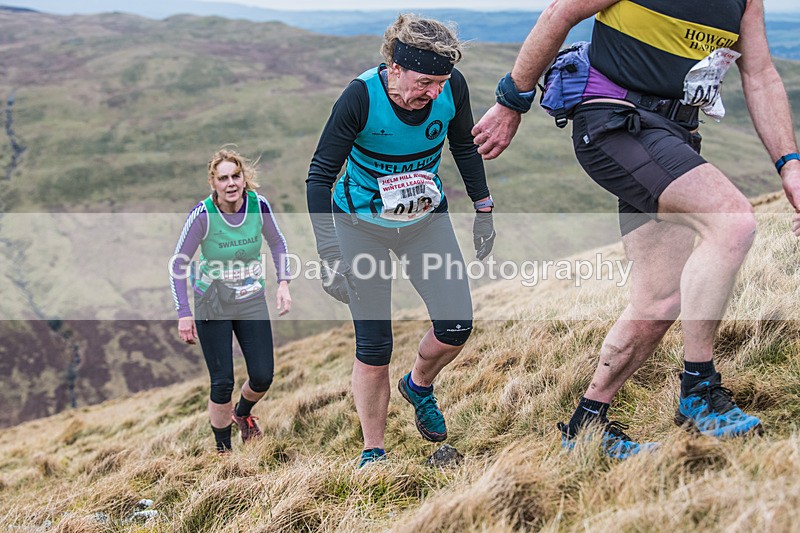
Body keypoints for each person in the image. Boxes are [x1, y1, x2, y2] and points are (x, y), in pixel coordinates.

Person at [473, 0, 800, 458]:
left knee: (659, 299)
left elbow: (760, 74)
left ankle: (587, 425)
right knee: (732, 221)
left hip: (672, 131)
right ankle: (700, 393)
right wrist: (511, 103)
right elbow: (559, 14)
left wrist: (790, 164)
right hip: (612, 121)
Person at [306, 14, 496, 467]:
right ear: (394, 66)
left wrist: (483, 208)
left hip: (424, 221)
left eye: (441, 81)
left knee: (456, 328)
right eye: (425, 81)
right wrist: (330, 255)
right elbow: (318, 177)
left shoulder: (453, 89)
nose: (434, 92)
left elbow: (463, 147)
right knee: (374, 345)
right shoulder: (360, 96)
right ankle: (374, 452)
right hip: (359, 227)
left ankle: (418, 385)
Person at [170, 147, 292, 453]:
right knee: (222, 382)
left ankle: (242, 413)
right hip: (213, 302)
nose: (231, 183)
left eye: (236, 175)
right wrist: (184, 313)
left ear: (244, 177)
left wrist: (284, 283)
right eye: (223, 178)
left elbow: (277, 243)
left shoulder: (258, 205)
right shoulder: (203, 215)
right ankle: (223, 452)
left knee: (263, 376)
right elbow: (178, 264)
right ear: (213, 183)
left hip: (251, 299)